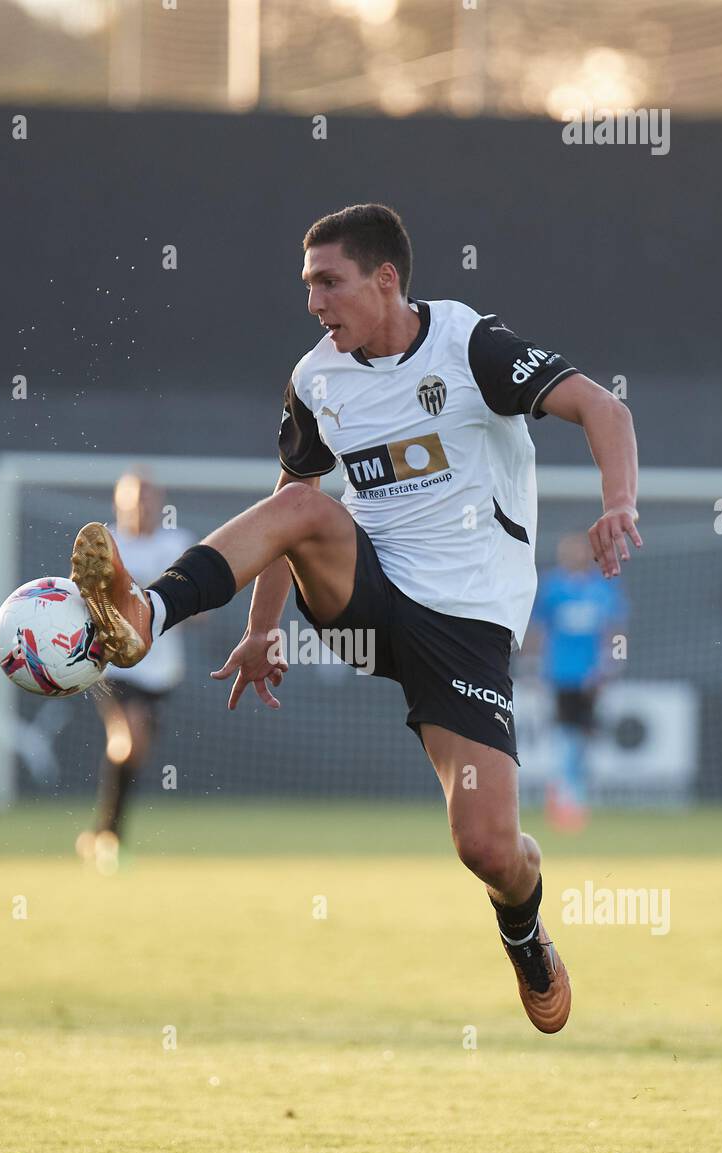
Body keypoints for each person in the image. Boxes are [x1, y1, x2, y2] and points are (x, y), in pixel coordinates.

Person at [68, 203, 642, 1032]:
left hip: (469, 628)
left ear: (385, 280)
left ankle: (524, 933)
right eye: (306, 286)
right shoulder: (316, 379)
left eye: (328, 283)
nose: (314, 303)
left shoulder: (471, 345)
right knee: (306, 499)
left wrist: (617, 504)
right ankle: (147, 608)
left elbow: (606, 410)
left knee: (488, 849)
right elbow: (288, 509)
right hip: (369, 597)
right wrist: (260, 630)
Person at [75, 472, 193, 873]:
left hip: (159, 670)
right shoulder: (104, 546)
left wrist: (155, 605)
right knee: (129, 736)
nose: (140, 507)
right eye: (132, 500)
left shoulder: (176, 544)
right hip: (111, 665)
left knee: (134, 749)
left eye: (147, 499)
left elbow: (201, 610)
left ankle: (103, 833)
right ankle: (110, 838)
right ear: (118, 502)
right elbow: (79, 601)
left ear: (159, 503)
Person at [532, 533, 628, 831]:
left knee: (586, 735)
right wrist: (533, 667)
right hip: (559, 674)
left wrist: (610, 666)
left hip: (591, 677)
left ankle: (571, 792)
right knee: (565, 733)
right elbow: (538, 630)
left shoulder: (603, 589)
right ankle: (567, 798)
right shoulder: (552, 588)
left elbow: (615, 631)